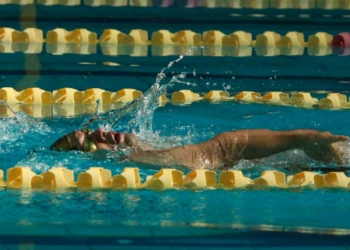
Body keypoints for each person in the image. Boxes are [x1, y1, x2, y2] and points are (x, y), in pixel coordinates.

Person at [50, 128, 348, 169]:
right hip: (211, 158)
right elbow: (223, 149)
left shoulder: (145, 148)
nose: (104, 129)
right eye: (93, 137)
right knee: (224, 146)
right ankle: (309, 138)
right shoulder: (135, 158)